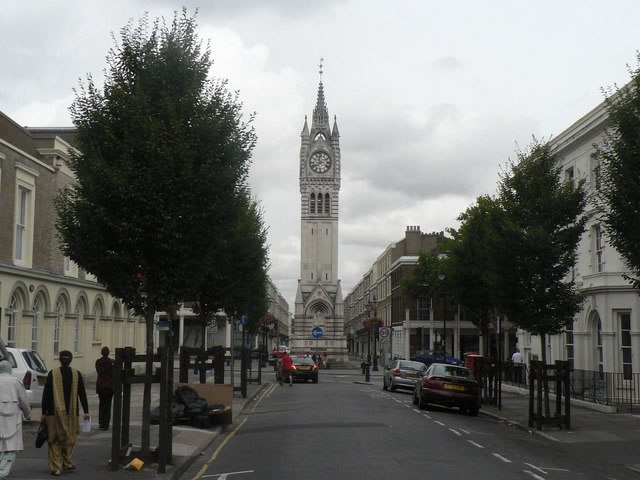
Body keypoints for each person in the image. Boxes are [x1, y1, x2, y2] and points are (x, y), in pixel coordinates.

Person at [41, 350, 90, 476]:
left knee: (54, 439)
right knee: (70, 438)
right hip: (72, 413)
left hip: (53, 412)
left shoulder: (53, 373)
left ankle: (56, 467)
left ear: (59, 360)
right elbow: (82, 394)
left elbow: (46, 394)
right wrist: (86, 411)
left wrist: (43, 412)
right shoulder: (76, 374)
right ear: (71, 360)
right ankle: (67, 462)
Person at [0, 360, 31, 480]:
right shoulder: (16, 382)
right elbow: (23, 401)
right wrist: (28, 414)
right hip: (13, 420)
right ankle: (3, 472)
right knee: (10, 447)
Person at [95, 346, 114, 430]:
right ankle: (106, 423)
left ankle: (101, 422)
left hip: (100, 385)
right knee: (108, 405)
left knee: (101, 404)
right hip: (109, 386)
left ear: (101, 353)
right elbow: (113, 373)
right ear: (108, 353)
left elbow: (99, 371)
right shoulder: (111, 362)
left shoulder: (98, 362)